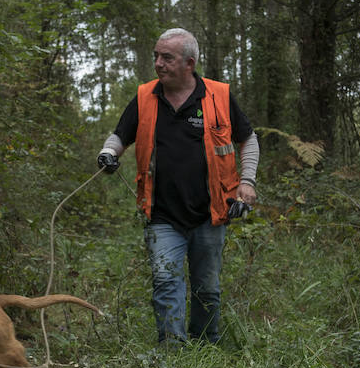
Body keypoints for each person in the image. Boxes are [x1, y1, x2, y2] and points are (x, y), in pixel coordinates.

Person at [98, 28, 259, 345]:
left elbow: (248, 139)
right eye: (156, 56)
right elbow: (120, 135)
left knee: (206, 288)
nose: (158, 63)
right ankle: (173, 351)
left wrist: (247, 181)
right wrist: (107, 153)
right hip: (162, 215)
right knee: (165, 281)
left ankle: (205, 346)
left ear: (189, 63)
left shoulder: (219, 96)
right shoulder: (146, 96)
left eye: (166, 57)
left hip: (210, 214)